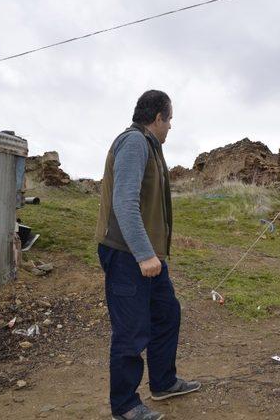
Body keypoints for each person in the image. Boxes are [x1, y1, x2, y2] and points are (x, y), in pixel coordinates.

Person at [95, 90, 200, 420]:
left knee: (167, 314)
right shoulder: (135, 143)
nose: (170, 127)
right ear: (159, 118)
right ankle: (125, 406)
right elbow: (124, 204)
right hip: (128, 255)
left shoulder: (149, 147)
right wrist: (144, 254)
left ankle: (163, 382)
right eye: (170, 120)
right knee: (131, 330)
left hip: (147, 255)